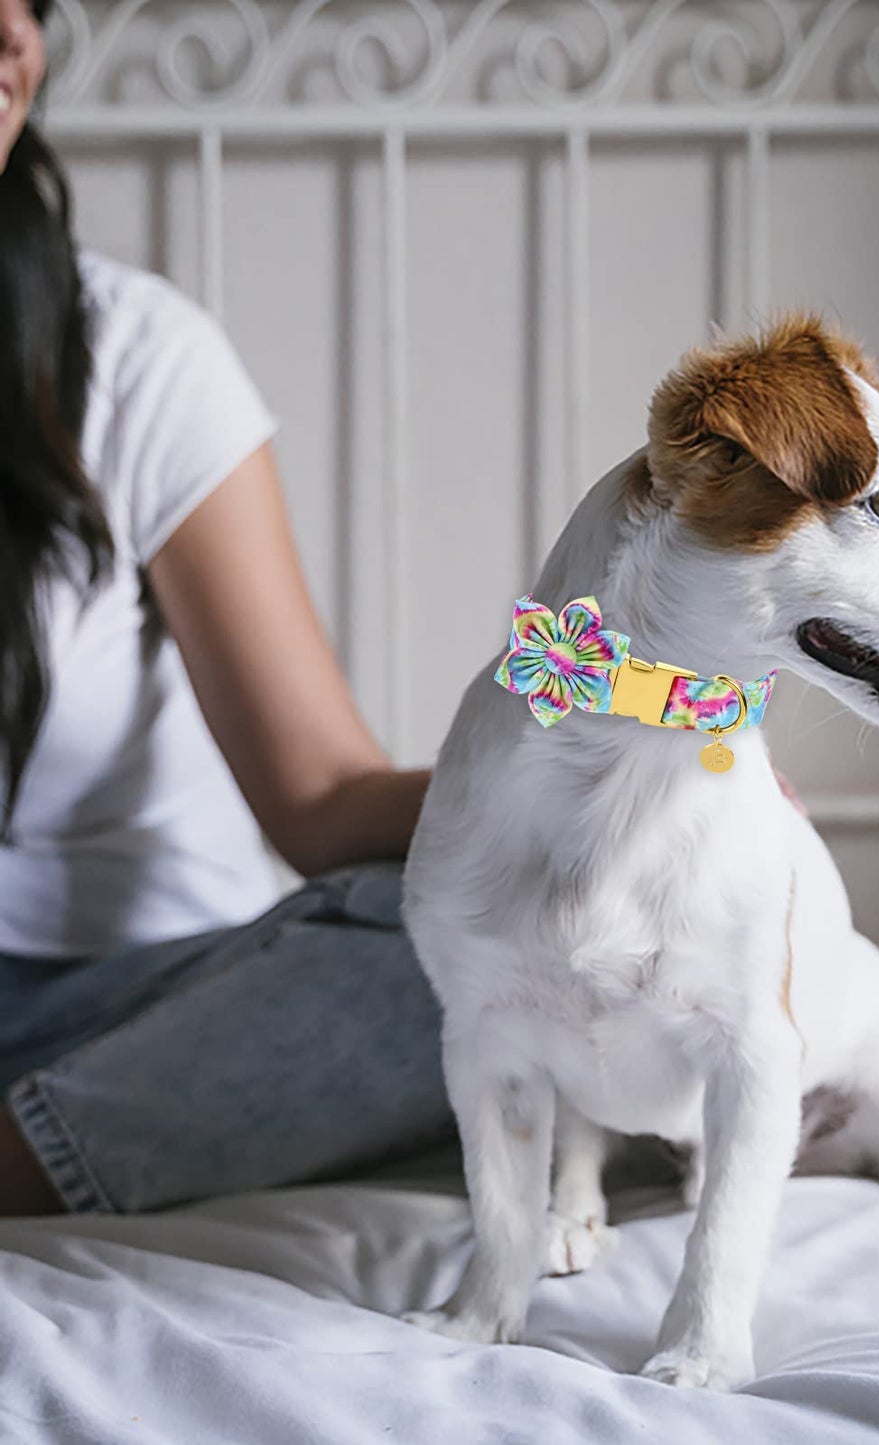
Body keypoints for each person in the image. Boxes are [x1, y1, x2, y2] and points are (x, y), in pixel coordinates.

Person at [0, 0, 451, 1215]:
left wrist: (584, 773)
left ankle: (35, 1152)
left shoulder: (141, 362)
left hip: (150, 1006)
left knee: (457, 936)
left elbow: (319, 802)